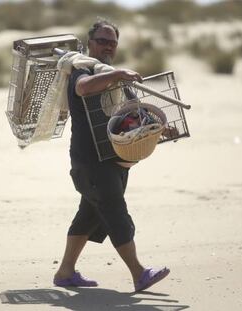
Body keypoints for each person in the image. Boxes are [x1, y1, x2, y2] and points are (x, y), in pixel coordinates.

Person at [53, 19, 170, 292]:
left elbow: (132, 114)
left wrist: (159, 128)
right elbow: (84, 88)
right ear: (90, 43)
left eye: (112, 42)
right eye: (102, 41)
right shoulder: (82, 69)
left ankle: (65, 272)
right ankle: (139, 273)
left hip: (114, 161)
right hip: (91, 162)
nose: (107, 46)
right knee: (116, 213)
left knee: (89, 214)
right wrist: (117, 74)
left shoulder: (114, 77)